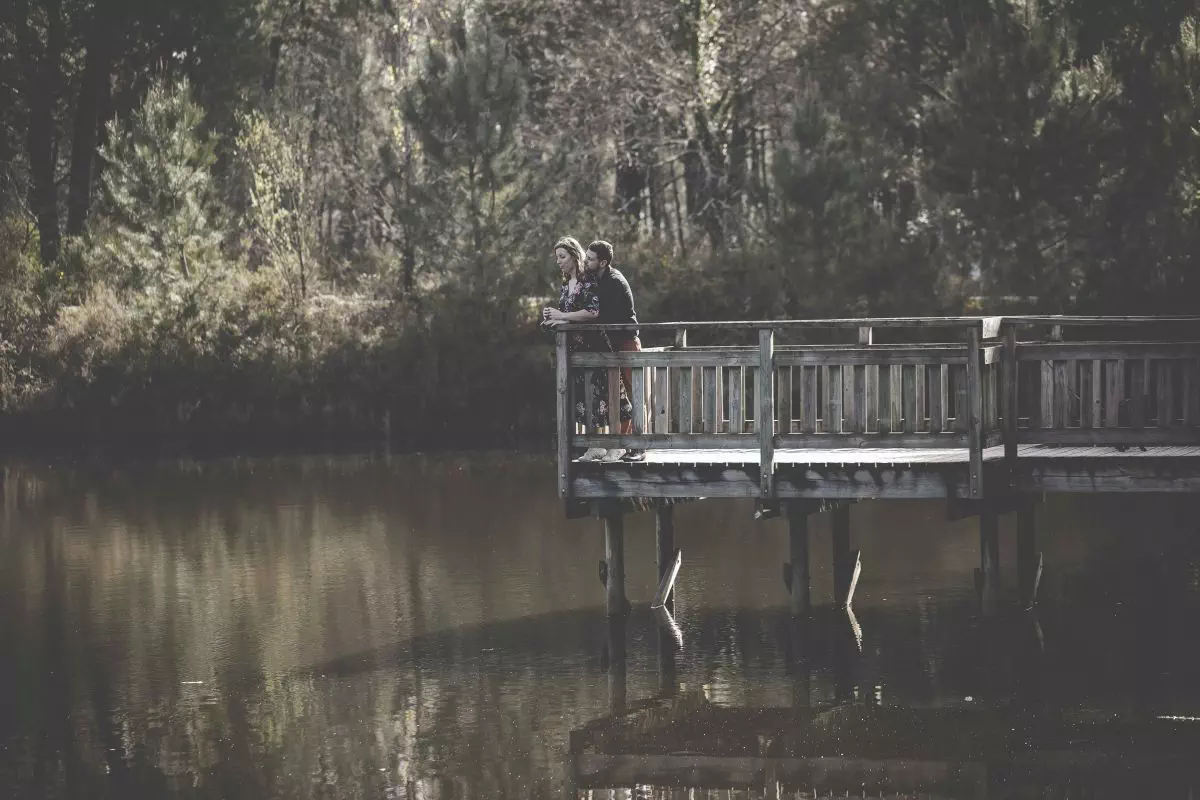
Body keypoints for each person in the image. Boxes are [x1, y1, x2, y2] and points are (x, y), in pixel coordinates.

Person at [541, 236, 617, 461]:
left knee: (596, 397)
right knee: (581, 398)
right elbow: (567, 313)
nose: (559, 262)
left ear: (574, 256)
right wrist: (552, 316)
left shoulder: (588, 281)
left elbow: (592, 313)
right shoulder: (566, 284)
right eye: (557, 258)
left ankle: (601, 445)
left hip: (591, 347)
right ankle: (593, 446)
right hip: (572, 350)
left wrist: (562, 315)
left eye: (562, 257)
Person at [584, 240, 644, 462]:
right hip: (611, 345)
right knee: (616, 395)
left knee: (632, 393)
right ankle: (622, 443)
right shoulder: (596, 279)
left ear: (603, 262)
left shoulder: (614, 282)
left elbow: (601, 315)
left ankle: (637, 447)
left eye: (590, 259)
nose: (585, 261)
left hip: (626, 342)